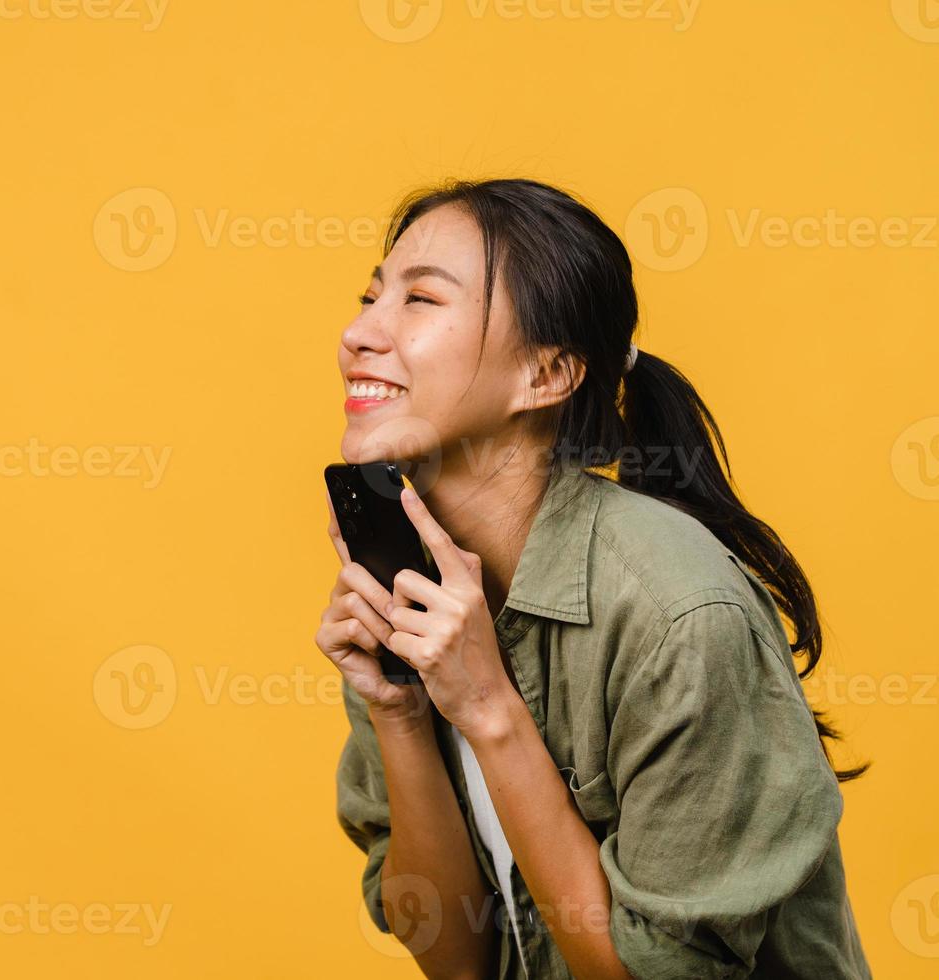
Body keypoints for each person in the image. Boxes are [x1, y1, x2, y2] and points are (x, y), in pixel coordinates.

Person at [318, 178, 870, 979]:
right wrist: (400, 708)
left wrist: (485, 706)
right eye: (369, 297)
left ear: (545, 374)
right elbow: (453, 954)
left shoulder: (677, 613)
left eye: (420, 301)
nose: (358, 332)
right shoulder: (409, 588)